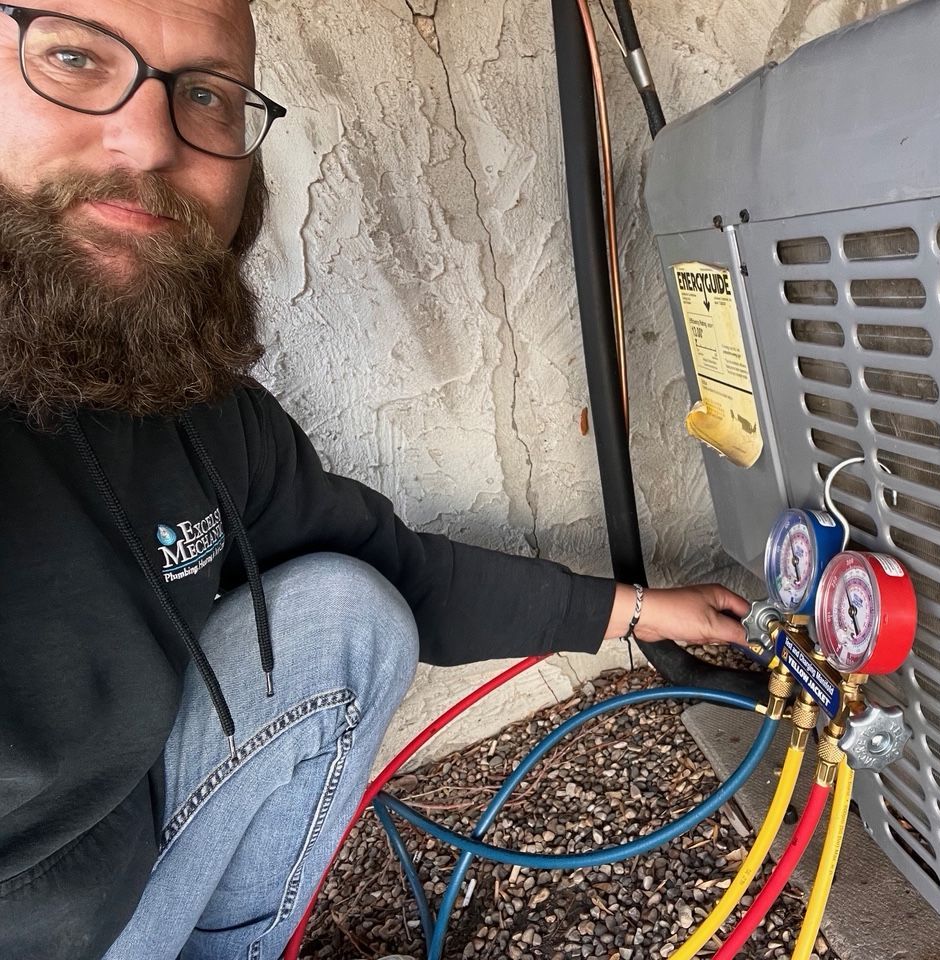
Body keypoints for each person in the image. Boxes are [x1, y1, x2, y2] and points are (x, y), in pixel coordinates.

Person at [0, 2, 751, 957]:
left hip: (111, 863)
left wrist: (646, 611)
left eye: (205, 94)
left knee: (343, 611)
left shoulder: (187, 406)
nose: (148, 141)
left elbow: (393, 566)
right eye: (73, 57)